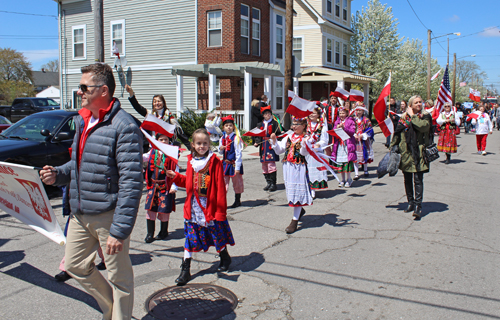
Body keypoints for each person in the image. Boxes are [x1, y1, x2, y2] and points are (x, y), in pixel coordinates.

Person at [40, 63, 144, 320]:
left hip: (108, 216)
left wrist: (119, 230)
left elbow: (132, 183)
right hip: (79, 213)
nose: (79, 92)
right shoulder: (83, 120)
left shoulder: (124, 126)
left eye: (84, 87)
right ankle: (110, 309)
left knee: (119, 278)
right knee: (75, 266)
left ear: (104, 90)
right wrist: (58, 174)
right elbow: (78, 164)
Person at [166, 129, 235, 286]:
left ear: (209, 144)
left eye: (205, 143)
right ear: (193, 144)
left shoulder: (214, 162)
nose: (202, 146)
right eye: (198, 143)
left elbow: (219, 189)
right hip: (193, 208)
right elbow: (189, 182)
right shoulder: (191, 161)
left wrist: (220, 212)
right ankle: (185, 268)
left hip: (210, 207)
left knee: (216, 235)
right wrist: (176, 177)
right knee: (189, 238)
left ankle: (224, 255)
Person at [390, 95, 431, 220]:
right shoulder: (403, 118)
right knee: (407, 179)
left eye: (420, 102)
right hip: (406, 152)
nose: (419, 104)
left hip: (419, 153)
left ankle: (418, 206)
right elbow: (398, 132)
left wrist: (412, 116)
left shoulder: (425, 116)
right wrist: (393, 146)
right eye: (416, 102)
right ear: (410, 105)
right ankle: (410, 202)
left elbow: (422, 127)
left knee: (418, 180)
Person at [270, 117, 312, 234]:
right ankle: (299, 211)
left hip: (299, 167)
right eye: (293, 124)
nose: (293, 126)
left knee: (297, 191)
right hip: (288, 167)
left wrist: (305, 144)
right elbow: (279, 150)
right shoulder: (288, 137)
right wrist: (274, 141)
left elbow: (304, 153)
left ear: (303, 126)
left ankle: (294, 220)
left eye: (296, 124)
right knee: (291, 190)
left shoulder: (306, 138)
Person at [124, 84, 191, 150]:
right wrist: (131, 94)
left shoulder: (170, 117)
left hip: (165, 147)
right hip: (152, 147)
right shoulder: (150, 115)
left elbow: (180, 133)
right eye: (154, 101)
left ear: (163, 103)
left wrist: (190, 147)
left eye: (159, 101)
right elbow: (138, 107)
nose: (157, 103)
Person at [142, 133, 178, 243]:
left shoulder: (172, 153)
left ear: (169, 141)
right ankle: (150, 233)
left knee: (164, 210)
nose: (163, 142)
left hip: (165, 186)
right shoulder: (152, 151)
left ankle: (163, 231)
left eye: (165, 140)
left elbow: (176, 170)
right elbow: (144, 158)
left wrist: (174, 185)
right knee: (150, 209)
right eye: (160, 139)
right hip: (153, 186)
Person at [253, 106, 282, 192]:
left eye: (269, 113)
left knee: (271, 164)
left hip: (270, 145)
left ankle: (273, 183)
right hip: (263, 146)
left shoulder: (274, 123)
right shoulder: (260, 124)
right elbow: (258, 135)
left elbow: (278, 133)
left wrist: (276, 138)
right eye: (265, 114)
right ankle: (268, 183)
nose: (267, 115)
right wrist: (256, 142)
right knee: (264, 165)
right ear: (263, 115)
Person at [218, 115, 244, 208]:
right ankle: (221, 202)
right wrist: (220, 148)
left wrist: (237, 167)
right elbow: (220, 151)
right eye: (226, 125)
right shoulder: (222, 138)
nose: (228, 127)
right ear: (223, 127)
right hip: (225, 163)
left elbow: (238, 153)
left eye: (230, 125)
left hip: (234, 164)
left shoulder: (236, 138)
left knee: (237, 183)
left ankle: (237, 200)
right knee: (223, 183)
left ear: (233, 127)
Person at [331, 107, 357, 188]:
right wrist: (336, 129)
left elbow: (352, 132)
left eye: (343, 113)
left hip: (347, 144)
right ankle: (342, 179)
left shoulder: (350, 121)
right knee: (340, 162)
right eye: (340, 113)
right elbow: (334, 131)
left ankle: (349, 179)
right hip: (339, 144)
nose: (341, 115)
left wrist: (344, 128)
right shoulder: (337, 122)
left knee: (347, 161)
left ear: (347, 113)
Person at [306, 106, 329, 198]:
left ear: (318, 115)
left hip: (316, 151)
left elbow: (324, 139)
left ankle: (313, 190)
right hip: (307, 150)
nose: (312, 114)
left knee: (314, 170)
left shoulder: (322, 126)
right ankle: (307, 188)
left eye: (314, 113)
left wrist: (319, 144)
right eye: (310, 112)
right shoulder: (306, 124)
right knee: (306, 169)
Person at [353, 106, 374, 178]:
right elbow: (350, 128)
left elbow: (370, 130)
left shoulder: (366, 120)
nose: (358, 112)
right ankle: (356, 173)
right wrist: (354, 135)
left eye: (360, 110)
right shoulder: (353, 120)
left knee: (365, 154)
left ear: (363, 111)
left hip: (363, 140)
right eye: (357, 110)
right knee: (355, 156)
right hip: (355, 140)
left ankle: (365, 169)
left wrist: (363, 135)